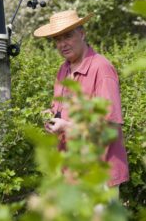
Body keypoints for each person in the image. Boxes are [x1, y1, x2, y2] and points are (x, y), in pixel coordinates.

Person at [34, 10, 129, 187]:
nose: (62, 44)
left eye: (68, 36)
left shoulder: (101, 68)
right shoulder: (64, 69)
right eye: (57, 39)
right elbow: (62, 110)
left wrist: (67, 127)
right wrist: (51, 116)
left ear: (83, 34)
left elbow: (109, 127)